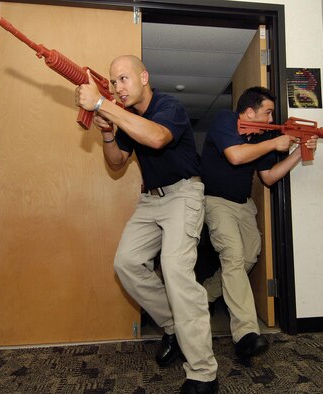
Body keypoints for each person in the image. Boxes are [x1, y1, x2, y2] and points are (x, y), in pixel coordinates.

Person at [75, 55, 218, 394]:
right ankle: (173, 325)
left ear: (144, 77)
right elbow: (117, 163)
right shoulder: (126, 117)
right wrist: (109, 134)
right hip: (151, 199)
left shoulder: (169, 105)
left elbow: (155, 138)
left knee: (175, 270)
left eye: (123, 79)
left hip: (184, 193)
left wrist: (102, 104)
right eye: (112, 83)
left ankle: (203, 374)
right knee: (126, 264)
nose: (117, 88)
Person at [200, 86, 318, 359]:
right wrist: (275, 143)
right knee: (233, 257)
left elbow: (269, 177)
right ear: (249, 111)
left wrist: (299, 152)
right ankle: (246, 335)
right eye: (267, 112)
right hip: (216, 202)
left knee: (249, 256)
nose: (270, 119)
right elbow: (236, 155)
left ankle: (205, 294)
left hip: (243, 205)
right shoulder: (224, 120)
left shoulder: (262, 136)